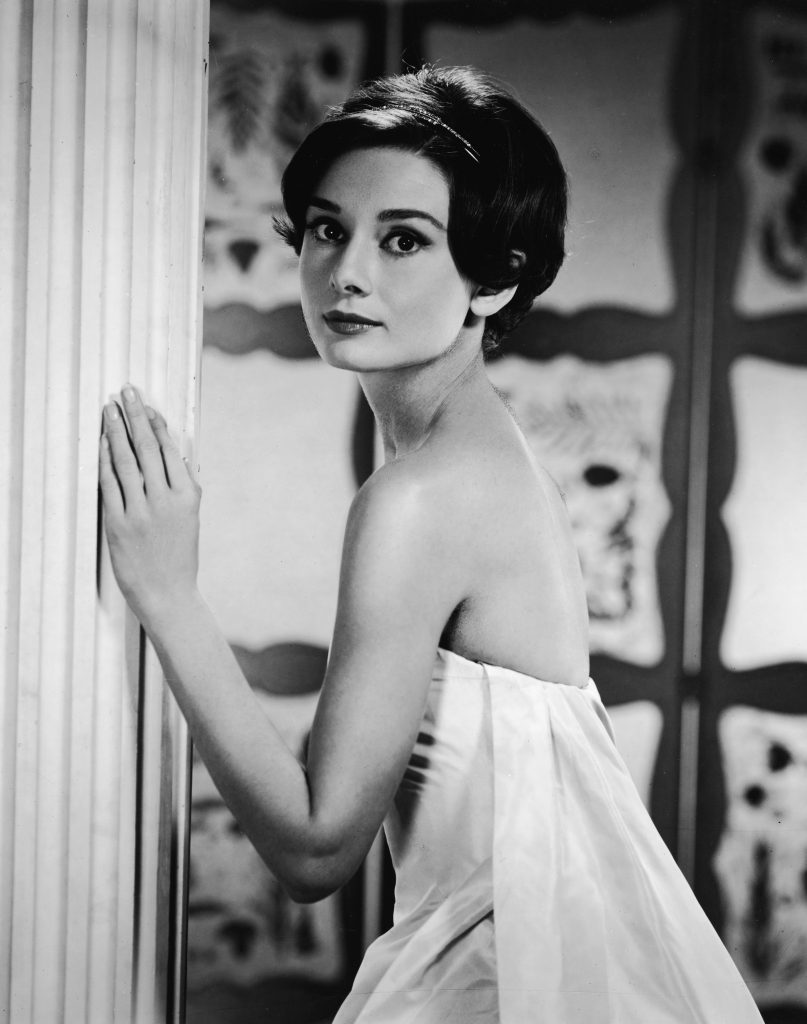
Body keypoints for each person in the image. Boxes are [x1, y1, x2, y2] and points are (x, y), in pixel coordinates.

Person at [99, 66, 763, 1023]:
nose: (347, 272)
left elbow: (315, 849)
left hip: (515, 980)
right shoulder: (483, 459)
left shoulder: (423, 496)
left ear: (496, 279)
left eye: (403, 239)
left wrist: (167, 596)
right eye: (327, 229)